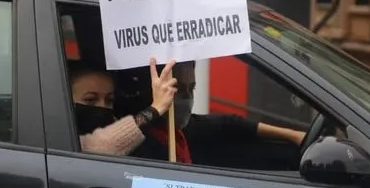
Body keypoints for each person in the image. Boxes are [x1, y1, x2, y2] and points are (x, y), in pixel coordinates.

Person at [121, 61, 307, 164]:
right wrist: (155, 109)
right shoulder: (140, 142)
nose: (186, 98)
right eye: (176, 90)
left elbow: (230, 124)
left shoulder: (183, 133)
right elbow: (121, 136)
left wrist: (294, 136)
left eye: (191, 89)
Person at [70, 58, 177, 155]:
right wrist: (154, 110)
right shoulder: (60, 140)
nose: (102, 106)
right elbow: (99, 146)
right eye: (90, 99)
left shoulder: (140, 145)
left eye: (109, 100)